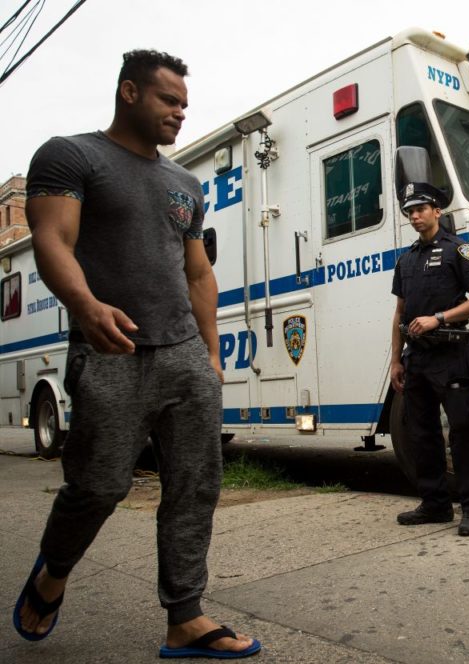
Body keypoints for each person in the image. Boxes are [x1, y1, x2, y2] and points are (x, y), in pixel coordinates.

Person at [13, 50, 261, 658]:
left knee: (195, 485)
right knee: (98, 487)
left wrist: (210, 354)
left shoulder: (185, 185)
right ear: (129, 93)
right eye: (168, 100)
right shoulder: (71, 155)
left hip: (182, 353)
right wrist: (86, 306)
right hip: (110, 351)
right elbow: (52, 239)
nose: (180, 112)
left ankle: (186, 617)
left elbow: (198, 273)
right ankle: (53, 573)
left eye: (184, 103)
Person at [390, 181, 469, 536]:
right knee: (422, 434)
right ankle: (434, 504)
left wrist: (440, 317)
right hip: (416, 358)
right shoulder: (406, 260)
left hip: (452, 355)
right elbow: (399, 313)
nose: (415, 216)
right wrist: (395, 361)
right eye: (409, 212)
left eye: (420, 209)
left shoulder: (459, 250)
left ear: (437, 211)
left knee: (463, 431)